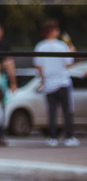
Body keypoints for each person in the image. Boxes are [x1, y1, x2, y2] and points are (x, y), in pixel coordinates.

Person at [35, 19, 78, 147]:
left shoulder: (40, 46)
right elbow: (69, 63)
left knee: (52, 112)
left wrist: (43, 80)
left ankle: (52, 137)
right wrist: (72, 52)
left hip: (49, 84)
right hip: (62, 82)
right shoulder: (62, 45)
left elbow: (39, 67)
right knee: (67, 111)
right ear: (54, 31)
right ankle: (69, 136)